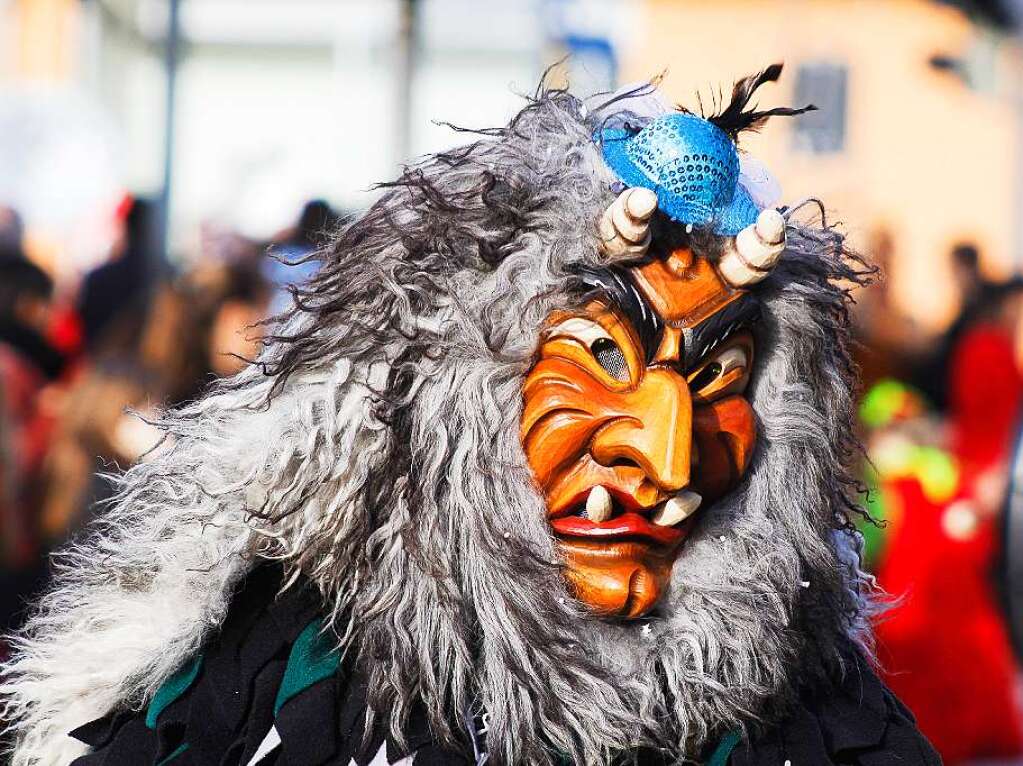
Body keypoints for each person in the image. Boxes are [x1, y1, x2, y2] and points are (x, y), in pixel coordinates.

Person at [1, 67, 938, 765]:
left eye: (720, 376)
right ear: (454, 387)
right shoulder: (284, 686)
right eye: (600, 358)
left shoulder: (811, 717)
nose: (669, 454)